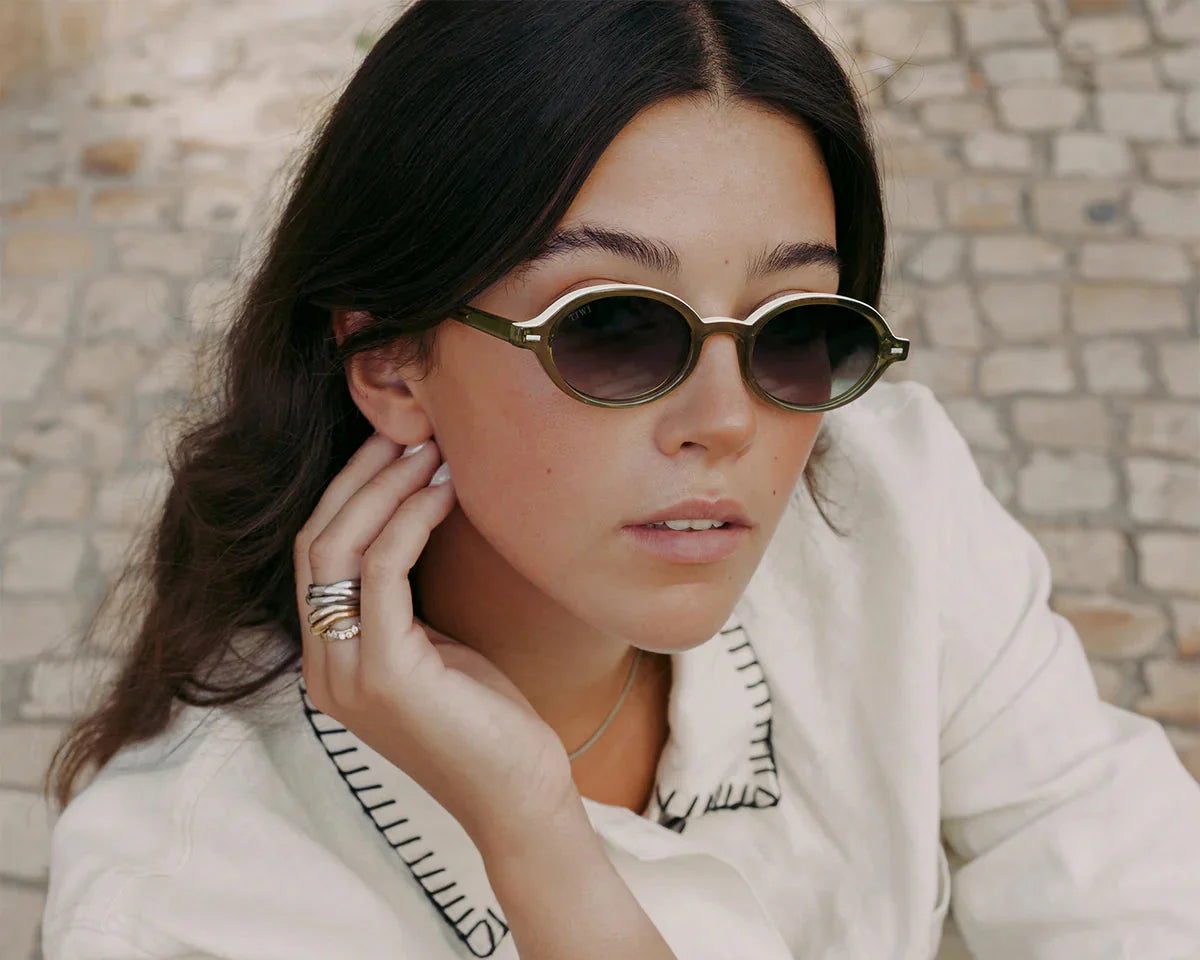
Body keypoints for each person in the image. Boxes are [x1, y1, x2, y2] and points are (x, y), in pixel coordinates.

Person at [38, 2, 1200, 958]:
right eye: (614, 327)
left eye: (796, 327)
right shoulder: (185, 903)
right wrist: (536, 843)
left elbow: (1119, 875)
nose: (728, 421)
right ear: (390, 360)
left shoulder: (894, 512)